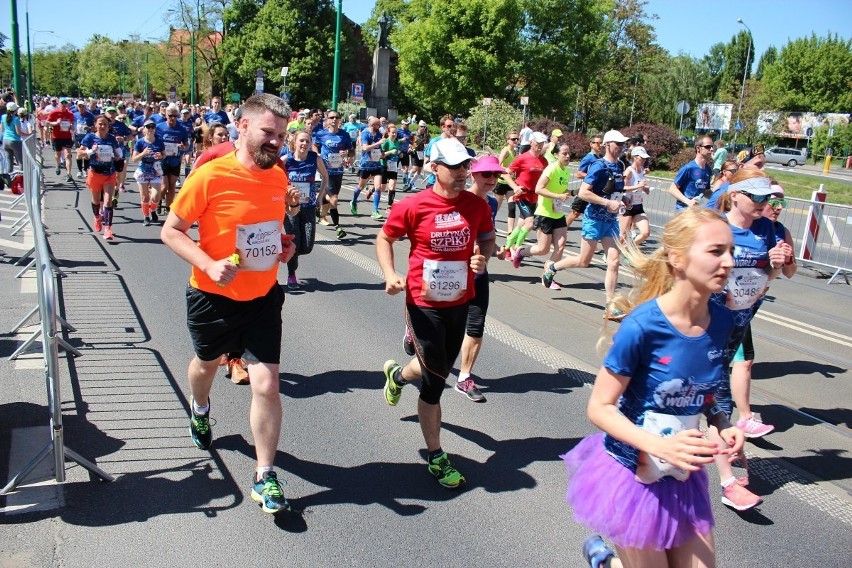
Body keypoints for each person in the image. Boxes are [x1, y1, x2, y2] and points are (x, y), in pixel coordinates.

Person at [562, 206, 744, 568]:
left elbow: (712, 384)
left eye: (731, 252)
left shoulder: (727, 321)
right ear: (677, 258)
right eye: (715, 251)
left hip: (683, 473)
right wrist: (659, 445)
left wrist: (724, 423)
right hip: (634, 473)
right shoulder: (643, 326)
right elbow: (599, 407)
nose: (728, 262)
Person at [160, 93, 297, 515]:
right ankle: (200, 408)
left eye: (282, 135)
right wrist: (207, 262)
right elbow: (171, 230)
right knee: (205, 364)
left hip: (261, 298)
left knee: (267, 384)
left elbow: (268, 231)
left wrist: (283, 248)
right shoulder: (209, 175)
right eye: (269, 133)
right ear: (242, 126)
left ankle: (265, 475)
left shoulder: (277, 177)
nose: (277, 142)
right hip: (211, 297)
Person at [377, 138, 495, 488]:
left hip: (460, 301)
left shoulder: (476, 206)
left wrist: (482, 256)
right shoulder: (414, 205)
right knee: (436, 382)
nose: (462, 173)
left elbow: (487, 238)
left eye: (465, 167)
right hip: (423, 303)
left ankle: (397, 376)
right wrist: (389, 274)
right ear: (434, 168)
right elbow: (385, 238)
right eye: (454, 167)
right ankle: (437, 456)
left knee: (438, 366)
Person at [707, 169, 790, 511]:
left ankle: (730, 462)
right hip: (707, 325)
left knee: (712, 398)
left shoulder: (767, 229)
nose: (764, 204)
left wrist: (776, 264)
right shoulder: (715, 227)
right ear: (735, 195)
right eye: (755, 197)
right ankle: (729, 476)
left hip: (741, 323)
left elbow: (767, 278)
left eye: (766, 198)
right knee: (712, 398)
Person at [543, 130, 628, 320]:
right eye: (618, 143)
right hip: (594, 219)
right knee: (584, 261)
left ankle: (610, 306)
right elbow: (583, 193)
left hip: (610, 221)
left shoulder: (620, 165)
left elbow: (615, 189)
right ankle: (553, 268)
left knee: (614, 262)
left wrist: (625, 199)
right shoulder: (598, 166)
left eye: (623, 144)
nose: (621, 147)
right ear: (607, 144)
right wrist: (607, 203)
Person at [454, 155, 503, 402]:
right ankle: (413, 328)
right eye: (487, 174)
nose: (492, 179)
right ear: (473, 174)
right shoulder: (459, 200)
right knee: (444, 322)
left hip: (477, 272)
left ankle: (464, 377)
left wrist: (495, 249)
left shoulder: (492, 203)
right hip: (450, 272)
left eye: (496, 175)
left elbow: (486, 235)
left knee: (475, 323)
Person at [511, 142, 572, 288]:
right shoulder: (551, 169)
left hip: (557, 213)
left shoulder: (567, 171)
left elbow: (561, 190)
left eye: (569, 154)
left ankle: (548, 275)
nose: (568, 156)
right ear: (556, 155)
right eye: (564, 153)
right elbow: (539, 189)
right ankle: (521, 251)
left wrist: (565, 195)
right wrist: (557, 196)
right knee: (543, 249)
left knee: (561, 245)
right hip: (544, 213)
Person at [282, 129, 328, 289]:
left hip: (308, 206)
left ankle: (292, 254)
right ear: (294, 142)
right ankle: (291, 274)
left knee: (307, 246)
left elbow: (325, 177)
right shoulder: (285, 161)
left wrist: (320, 196)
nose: (304, 144)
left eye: (307, 141)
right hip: (289, 209)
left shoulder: (315, 158)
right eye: (301, 140)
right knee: (294, 241)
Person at [500, 131, 548, 255]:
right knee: (530, 223)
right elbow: (505, 173)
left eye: (542, 143)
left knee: (521, 225)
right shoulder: (522, 158)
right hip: (523, 196)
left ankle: (506, 248)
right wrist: (515, 187)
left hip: (535, 197)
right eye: (538, 142)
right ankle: (516, 249)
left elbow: (545, 179)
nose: (540, 145)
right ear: (531, 142)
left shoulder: (544, 161)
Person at [77, 115, 122, 240]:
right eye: (100, 124)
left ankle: (108, 229)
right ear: (95, 125)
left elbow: (119, 152)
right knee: (96, 201)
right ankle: (97, 216)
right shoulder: (90, 137)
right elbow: (79, 153)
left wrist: (117, 156)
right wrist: (91, 151)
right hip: (95, 173)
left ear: (108, 127)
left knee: (108, 201)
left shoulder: (112, 138)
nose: (102, 127)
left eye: (105, 125)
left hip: (109, 173)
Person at [312, 109, 352, 240]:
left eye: (337, 117)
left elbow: (351, 151)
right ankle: (338, 227)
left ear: (340, 120)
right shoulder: (321, 134)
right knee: (334, 199)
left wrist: (347, 153)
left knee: (328, 197)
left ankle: (319, 207)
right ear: (327, 120)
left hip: (338, 170)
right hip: (325, 170)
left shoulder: (344, 135)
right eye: (332, 117)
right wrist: (317, 154)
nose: (334, 119)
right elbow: (314, 145)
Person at [563, 135, 604, 232]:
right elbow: (579, 174)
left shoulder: (601, 157)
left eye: (601, 143)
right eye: (598, 143)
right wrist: (593, 177)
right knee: (575, 213)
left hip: (596, 191)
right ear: (591, 144)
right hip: (586, 190)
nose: (600, 145)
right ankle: (561, 231)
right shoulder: (588, 158)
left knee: (597, 213)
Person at [155, 104, 190, 214]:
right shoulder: (159, 127)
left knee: (172, 185)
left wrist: (184, 147)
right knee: (164, 185)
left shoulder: (181, 129)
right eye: (170, 116)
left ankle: (168, 208)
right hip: (162, 160)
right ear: (166, 115)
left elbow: (186, 144)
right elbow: (153, 141)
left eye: (175, 116)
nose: (173, 118)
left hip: (175, 160)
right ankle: (158, 202)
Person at [131, 118, 165, 226]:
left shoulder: (159, 141)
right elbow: (134, 159)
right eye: (148, 127)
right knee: (145, 196)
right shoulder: (140, 142)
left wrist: (160, 156)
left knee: (156, 196)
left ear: (155, 129)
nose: (150, 129)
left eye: (152, 127)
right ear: (144, 129)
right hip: (143, 170)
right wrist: (144, 153)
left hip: (155, 170)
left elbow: (164, 155)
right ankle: (146, 216)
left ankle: (153, 209)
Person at [351, 116, 384, 219]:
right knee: (360, 187)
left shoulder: (379, 134)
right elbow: (365, 148)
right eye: (378, 124)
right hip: (366, 165)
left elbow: (380, 148)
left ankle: (375, 210)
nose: (380, 126)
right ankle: (354, 201)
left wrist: (382, 153)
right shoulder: (366, 133)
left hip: (377, 164)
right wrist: (378, 143)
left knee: (378, 187)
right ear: (372, 125)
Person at [667, 136, 713, 209]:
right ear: (698, 148)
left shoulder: (708, 169)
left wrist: (719, 199)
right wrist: (688, 202)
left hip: (695, 211)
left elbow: (706, 191)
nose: (711, 149)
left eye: (712, 146)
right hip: (683, 210)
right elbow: (672, 189)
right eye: (708, 147)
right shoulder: (689, 168)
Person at [619, 146, 651, 247]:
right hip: (626, 205)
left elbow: (639, 185)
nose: (644, 160)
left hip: (638, 206)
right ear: (635, 157)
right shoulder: (629, 171)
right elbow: (621, 188)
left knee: (645, 233)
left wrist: (644, 189)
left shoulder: (641, 170)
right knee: (622, 236)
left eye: (645, 158)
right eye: (642, 158)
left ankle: (628, 248)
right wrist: (639, 186)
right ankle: (609, 255)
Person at [492, 130, 518, 237]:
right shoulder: (506, 151)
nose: (516, 141)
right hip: (501, 182)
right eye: (513, 139)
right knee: (496, 206)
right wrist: (507, 169)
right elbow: (498, 164)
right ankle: (489, 224)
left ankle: (510, 232)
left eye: (517, 139)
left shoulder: (515, 152)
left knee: (512, 206)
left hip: (510, 183)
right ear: (508, 140)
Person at [46, 97, 75, 181]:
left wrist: (71, 126)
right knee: (58, 155)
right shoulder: (54, 112)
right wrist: (56, 123)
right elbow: (47, 123)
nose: (64, 105)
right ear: (59, 104)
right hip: (57, 137)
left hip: (67, 137)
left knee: (68, 155)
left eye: (65, 103)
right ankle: (58, 164)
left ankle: (69, 174)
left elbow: (72, 124)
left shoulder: (70, 114)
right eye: (62, 103)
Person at [380, 123, 401, 214]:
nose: (394, 134)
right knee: (383, 187)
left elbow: (397, 151)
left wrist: (400, 154)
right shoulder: (386, 142)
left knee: (392, 185)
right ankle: (372, 189)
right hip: (384, 165)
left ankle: (389, 205)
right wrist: (390, 152)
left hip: (393, 166)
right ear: (388, 133)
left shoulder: (397, 141)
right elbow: (381, 155)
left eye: (395, 133)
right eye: (392, 132)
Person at [1, 102, 26, 172]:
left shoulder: (3, 117)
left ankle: (10, 180)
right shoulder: (16, 119)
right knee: (20, 161)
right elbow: (18, 132)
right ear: (15, 110)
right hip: (15, 140)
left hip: (5, 140)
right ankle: (22, 179)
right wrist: (28, 134)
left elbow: (2, 129)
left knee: (9, 162)